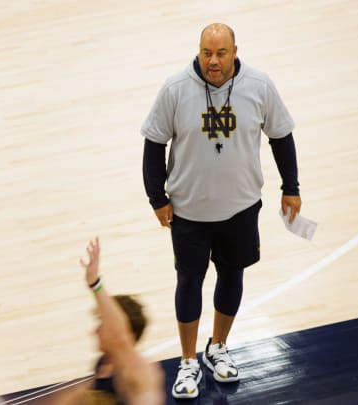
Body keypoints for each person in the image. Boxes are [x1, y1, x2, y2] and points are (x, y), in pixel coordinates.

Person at [140, 23, 302, 399]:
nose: (212, 61)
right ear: (198, 51)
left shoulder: (259, 85)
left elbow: (281, 135)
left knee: (232, 277)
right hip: (189, 213)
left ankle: (218, 347)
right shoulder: (175, 89)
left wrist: (290, 188)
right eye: (206, 53)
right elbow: (153, 144)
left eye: (220, 53)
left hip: (241, 208)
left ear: (234, 51)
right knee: (189, 282)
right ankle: (187, 361)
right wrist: (157, 198)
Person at [75, 237, 165, 405]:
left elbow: (119, 337)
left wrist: (95, 284)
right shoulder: (105, 364)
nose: (96, 331)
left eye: (103, 325)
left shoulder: (140, 374)